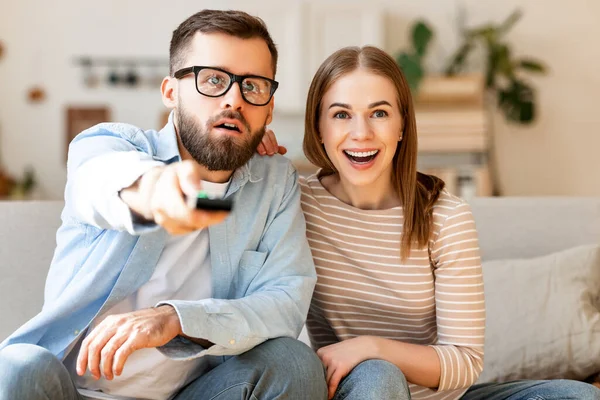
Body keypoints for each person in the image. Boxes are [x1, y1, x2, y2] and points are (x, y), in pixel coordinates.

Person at [0, 9, 328, 400]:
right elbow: (103, 181)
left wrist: (175, 319)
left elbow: (284, 303)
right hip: (73, 390)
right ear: (171, 92)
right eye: (213, 80)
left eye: (252, 87)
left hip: (198, 393)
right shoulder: (108, 145)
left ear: (269, 108)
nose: (234, 99)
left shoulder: (274, 183)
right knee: (18, 366)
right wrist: (155, 192)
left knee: (293, 362)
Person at [259, 45, 600, 400]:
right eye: (341, 115)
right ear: (319, 127)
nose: (361, 133)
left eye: (379, 113)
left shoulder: (445, 216)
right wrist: (251, 150)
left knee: (578, 396)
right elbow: (217, 192)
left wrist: (371, 346)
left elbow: (464, 361)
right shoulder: (295, 203)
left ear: (402, 125)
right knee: (378, 377)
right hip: (361, 392)